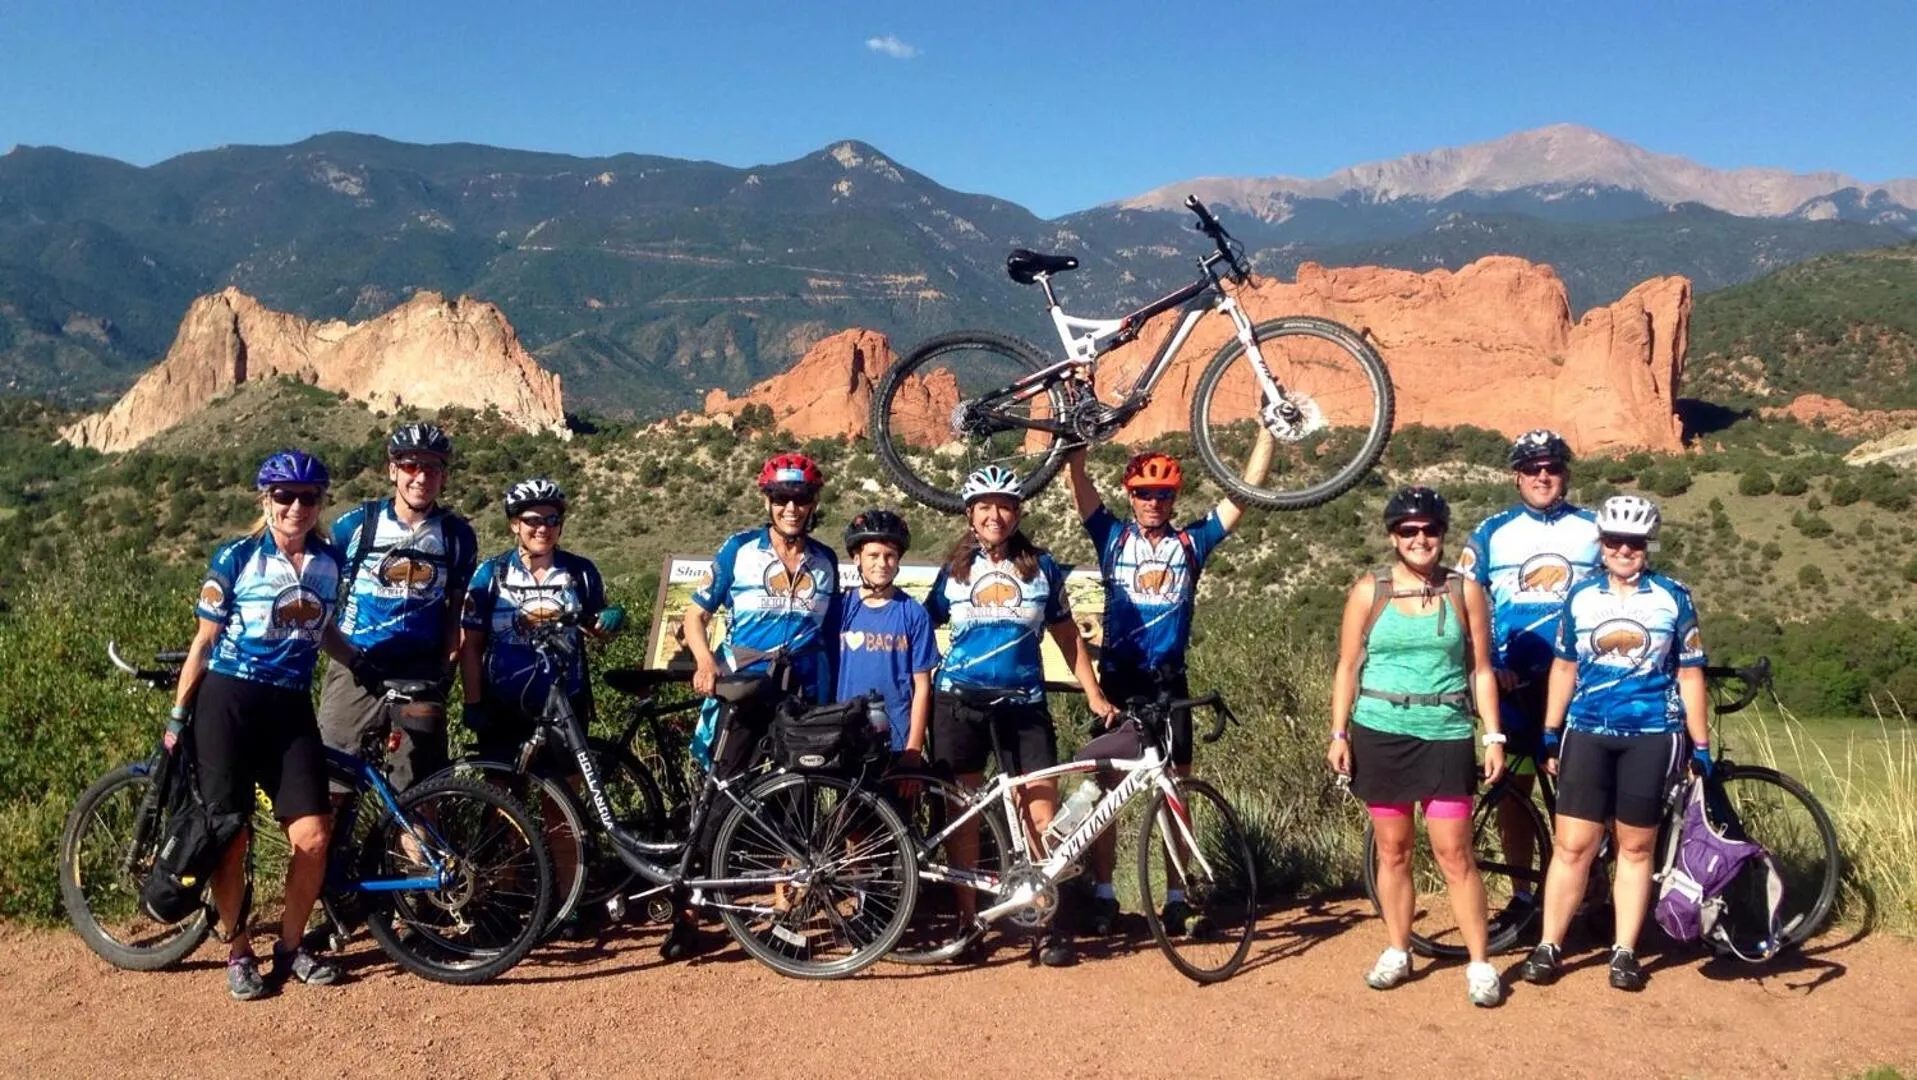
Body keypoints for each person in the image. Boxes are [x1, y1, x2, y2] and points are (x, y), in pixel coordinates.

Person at [1063, 434, 1272, 936]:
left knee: (1177, 786)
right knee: (1106, 787)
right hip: (1118, 682)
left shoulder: (1190, 543)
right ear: (1129, 495)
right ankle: (1105, 894)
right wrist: (1077, 440)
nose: (1153, 502)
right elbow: (1078, 482)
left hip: (1169, 683)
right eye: (1142, 493)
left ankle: (1179, 896)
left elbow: (1243, 493)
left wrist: (1265, 435)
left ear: (1174, 499)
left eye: (1162, 495)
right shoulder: (1112, 537)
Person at [168, 450, 355, 1000]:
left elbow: (320, 632)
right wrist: (179, 715)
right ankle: (238, 948)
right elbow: (203, 643)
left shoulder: (329, 561)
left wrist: (363, 663)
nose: (296, 507)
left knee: (314, 836)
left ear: (321, 504)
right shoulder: (237, 557)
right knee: (231, 834)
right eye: (284, 496)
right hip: (229, 700)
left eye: (309, 497)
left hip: (289, 704)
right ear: (265, 499)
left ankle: (291, 946)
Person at [924, 465, 1117, 968]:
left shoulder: (1042, 568)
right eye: (984, 506)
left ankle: (1047, 924)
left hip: (1023, 705)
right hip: (957, 703)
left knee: (1041, 816)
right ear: (970, 515)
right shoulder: (952, 572)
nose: (995, 514)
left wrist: (1093, 694)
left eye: (1004, 505)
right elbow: (920, 630)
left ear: (1018, 513)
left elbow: (1067, 634)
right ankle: (969, 925)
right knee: (962, 813)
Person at [1518, 494, 1710, 992]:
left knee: (1636, 845)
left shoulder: (1673, 596)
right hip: (1587, 732)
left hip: (1652, 735)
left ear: (1647, 546)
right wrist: (1550, 730)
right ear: (1601, 545)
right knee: (1573, 845)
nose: (1625, 550)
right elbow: (1564, 666)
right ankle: (1549, 945)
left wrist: (1700, 744)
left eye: (1635, 542)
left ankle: (1625, 950)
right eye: (1615, 541)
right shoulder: (1579, 597)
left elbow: (1690, 674)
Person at [1327, 486, 1506, 1007]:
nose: (1420, 538)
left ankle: (1479, 962)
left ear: (1442, 534)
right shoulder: (1369, 590)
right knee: (1394, 850)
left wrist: (1492, 734)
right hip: (1380, 730)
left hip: (1446, 731)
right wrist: (1339, 732)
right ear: (1393, 537)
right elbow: (1347, 666)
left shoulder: (1464, 591)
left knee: (1455, 853)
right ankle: (1398, 949)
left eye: (1429, 529)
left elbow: (1480, 668)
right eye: (1409, 530)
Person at [674, 452, 840, 959]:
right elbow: (694, 616)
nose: (792, 507)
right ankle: (686, 914)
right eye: (782, 498)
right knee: (717, 798)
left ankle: (785, 914)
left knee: (797, 804)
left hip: (799, 696)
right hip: (741, 690)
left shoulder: (826, 560)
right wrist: (704, 663)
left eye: (802, 498)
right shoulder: (739, 551)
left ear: (814, 503)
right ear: (767, 501)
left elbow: (830, 638)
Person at [1457, 429, 1599, 912]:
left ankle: (1585, 895)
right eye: (1533, 468)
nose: (1544, 475)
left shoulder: (1595, 528)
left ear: (1566, 474)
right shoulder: (1493, 531)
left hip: (1577, 687)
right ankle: (1521, 895)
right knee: (1513, 793)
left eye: (1553, 467)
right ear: (1516, 476)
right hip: (1513, 688)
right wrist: (1489, 665)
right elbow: (1466, 604)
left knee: (1582, 797)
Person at [319, 423, 477, 793]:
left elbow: (456, 609)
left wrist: (446, 667)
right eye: (410, 466)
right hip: (356, 662)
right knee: (333, 786)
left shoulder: (458, 536)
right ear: (392, 470)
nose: (421, 477)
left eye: (432, 468)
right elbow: (317, 587)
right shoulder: (357, 525)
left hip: (422, 670)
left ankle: (415, 853)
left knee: (420, 791)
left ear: (444, 476)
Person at [458, 478, 622, 771]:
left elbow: (596, 629)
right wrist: (473, 702)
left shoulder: (580, 571)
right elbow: (470, 645)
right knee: (503, 798)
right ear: (514, 524)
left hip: (565, 704)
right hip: (503, 704)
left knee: (563, 802)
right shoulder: (492, 573)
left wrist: (611, 620)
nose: (543, 528)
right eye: (532, 520)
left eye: (552, 519)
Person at [833, 509, 938, 772]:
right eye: (873, 555)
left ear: (899, 561)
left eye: (890, 556)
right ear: (857, 558)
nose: (882, 563)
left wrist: (914, 749)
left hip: (897, 739)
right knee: (848, 812)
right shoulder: (838, 609)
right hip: (846, 734)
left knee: (897, 811)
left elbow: (922, 687)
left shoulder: (913, 613)